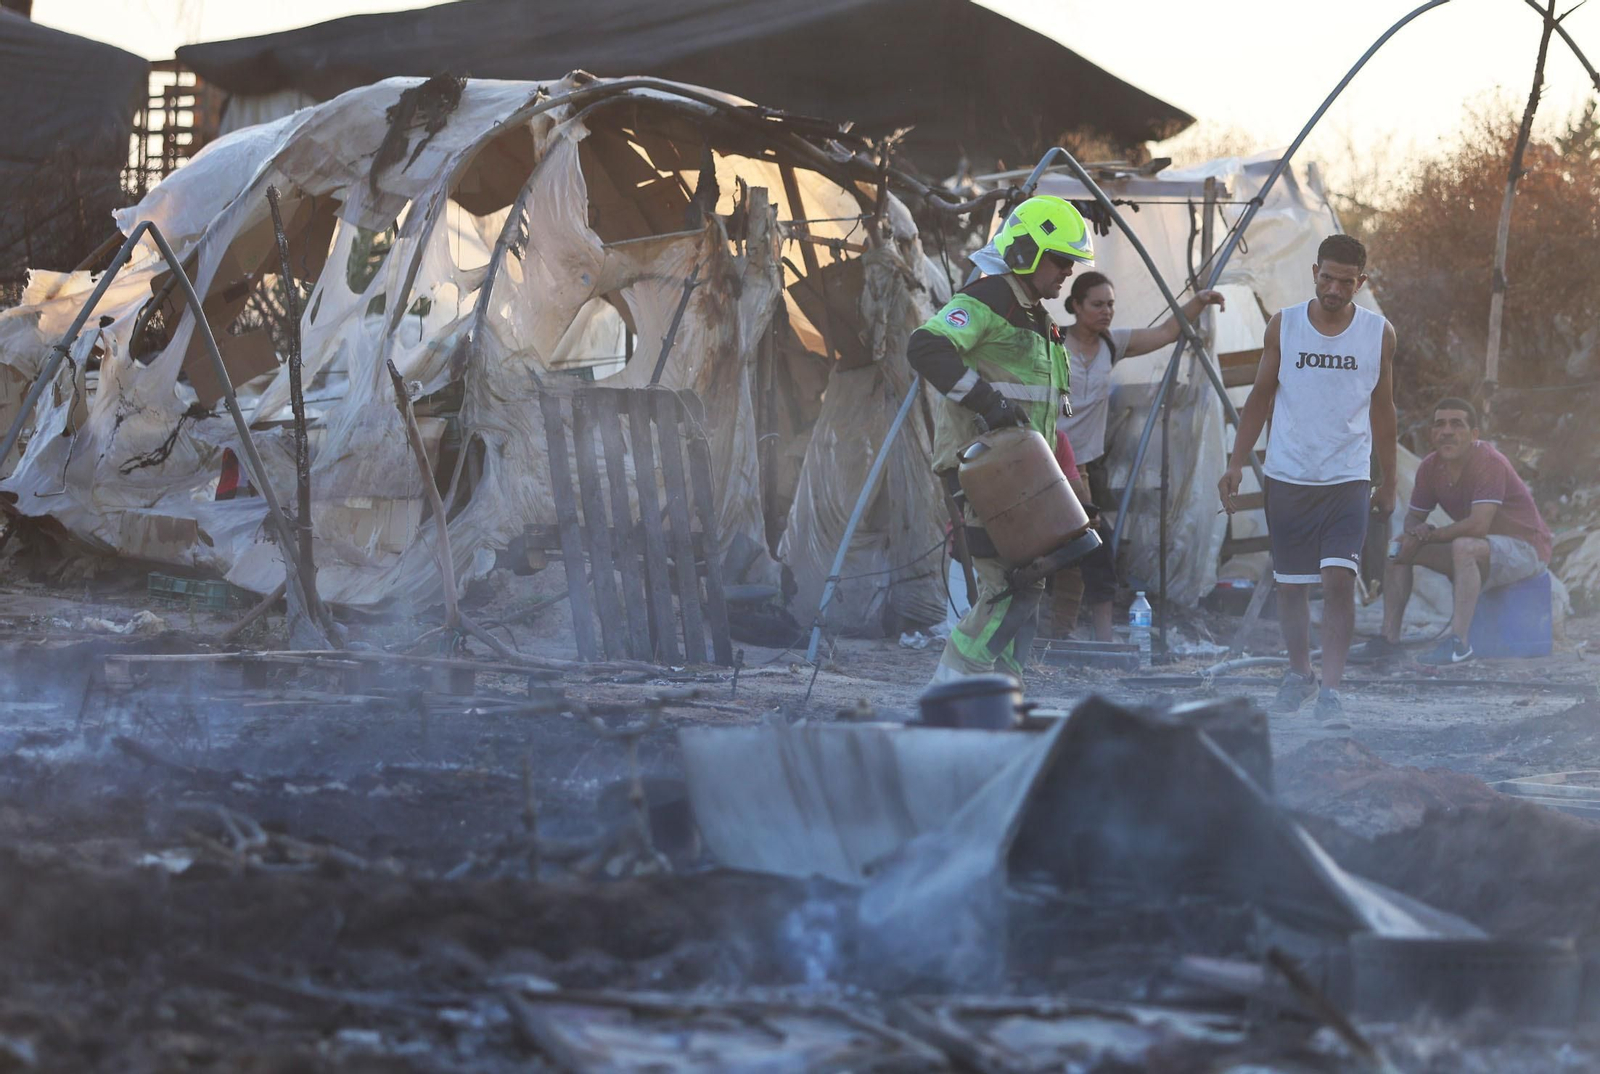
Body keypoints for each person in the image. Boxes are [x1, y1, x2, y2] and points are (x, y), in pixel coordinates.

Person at [908, 195, 1095, 685]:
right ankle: (947, 691)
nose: (1067, 273)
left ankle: (1003, 695)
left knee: (1030, 584)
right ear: (1026, 251)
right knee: (1007, 588)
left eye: (1071, 263)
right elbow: (925, 346)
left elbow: (1040, 409)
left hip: (1024, 476)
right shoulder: (991, 298)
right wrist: (988, 404)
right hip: (986, 473)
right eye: (1060, 260)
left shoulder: (1039, 317)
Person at [1218, 234, 1397, 722]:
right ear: (1314, 271)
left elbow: (1383, 408)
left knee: (1339, 578)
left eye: (1345, 282)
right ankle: (1301, 673)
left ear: (1360, 282)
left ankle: (1332, 690)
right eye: (1326, 278)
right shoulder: (1286, 325)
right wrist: (1235, 463)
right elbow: (1259, 395)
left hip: (1347, 477)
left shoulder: (1378, 333)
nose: (1334, 289)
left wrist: (1391, 480)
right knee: (1292, 585)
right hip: (1289, 475)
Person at [1051, 271, 1225, 640]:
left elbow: (1165, 333)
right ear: (1076, 305)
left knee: (1088, 549)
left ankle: (1075, 635)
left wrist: (1199, 301)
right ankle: (1079, 635)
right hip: (1046, 463)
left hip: (1082, 468)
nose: (1106, 312)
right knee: (1078, 548)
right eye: (1097, 304)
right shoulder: (1053, 343)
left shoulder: (1111, 344)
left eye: (1110, 304)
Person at [1352, 397, 1552, 665]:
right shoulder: (1430, 467)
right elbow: (1413, 518)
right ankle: (1389, 640)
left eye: (1456, 424)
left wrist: (1428, 535)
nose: (1447, 431)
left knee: (1464, 546)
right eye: (1440, 425)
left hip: (1526, 549)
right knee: (1397, 547)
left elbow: (1478, 525)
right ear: (1432, 433)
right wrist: (1413, 534)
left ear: (1474, 434)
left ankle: (1459, 643)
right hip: (1485, 550)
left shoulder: (1488, 461)